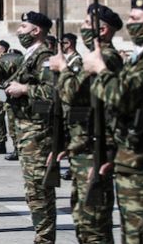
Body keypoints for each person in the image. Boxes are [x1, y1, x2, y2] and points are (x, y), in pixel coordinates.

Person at [84, 0, 143, 243]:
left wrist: (99, 69)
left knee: (142, 237)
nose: (129, 22)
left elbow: (121, 97)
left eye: (135, 18)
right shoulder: (141, 56)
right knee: (132, 235)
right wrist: (112, 154)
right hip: (131, 159)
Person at [49, 4, 123, 243]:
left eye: (86, 24)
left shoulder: (107, 58)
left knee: (94, 228)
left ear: (102, 30)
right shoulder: (92, 58)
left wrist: (62, 69)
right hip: (83, 148)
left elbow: (71, 94)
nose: (81, 28)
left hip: (96, 150)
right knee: (83, 223)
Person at [0, 11, 57, 243]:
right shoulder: (29, 56)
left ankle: (45, 239)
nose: (19, 30)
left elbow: (53, 92)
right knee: (33, 191)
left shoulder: (45, 56)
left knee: (39, 190)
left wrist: (24, 90)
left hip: (37, 132)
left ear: (36, 31)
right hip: (26, 131)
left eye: (24, 27)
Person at [59, 32, 82, 181]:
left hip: (70, 105)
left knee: (72, 136)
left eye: (63, 44)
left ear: (70, 44)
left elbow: (74, 84)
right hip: (62, 104)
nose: (60, 47)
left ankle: (73, 167)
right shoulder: (65, 59)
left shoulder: (76, 61)